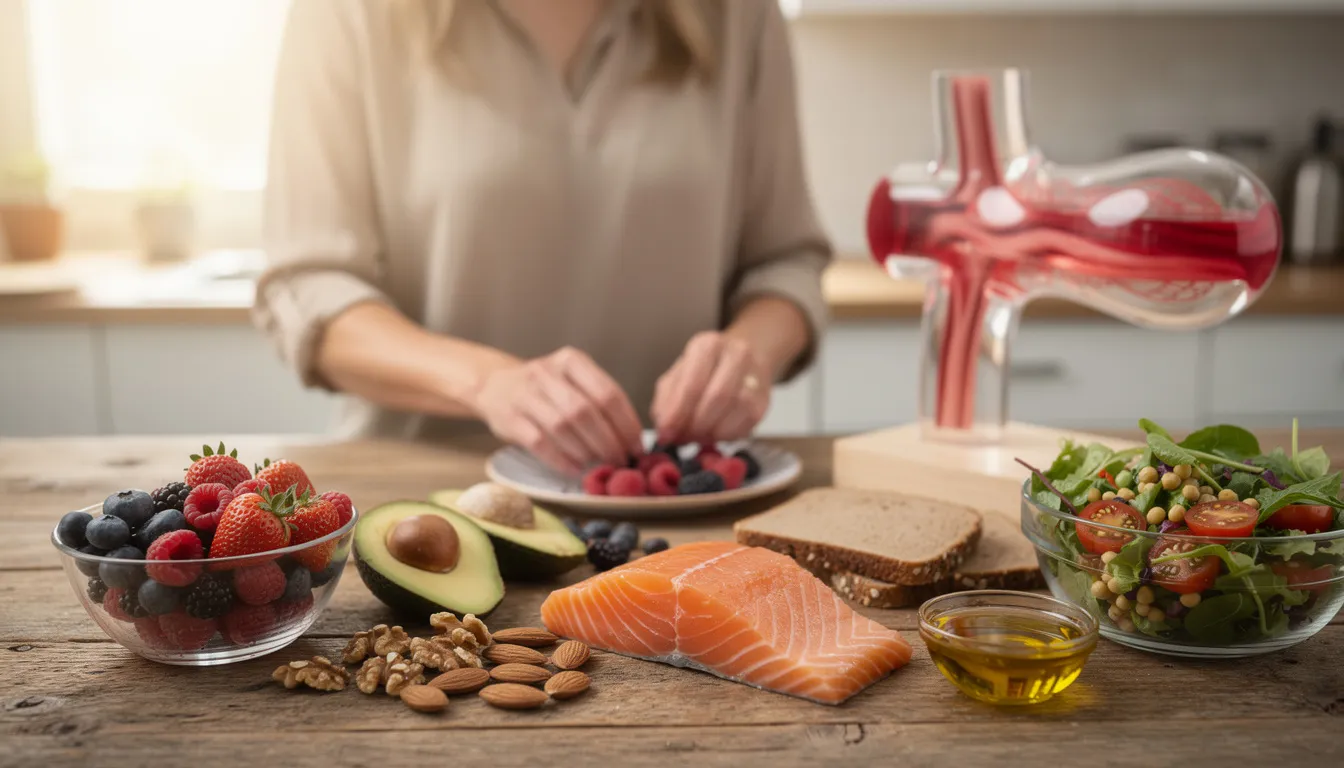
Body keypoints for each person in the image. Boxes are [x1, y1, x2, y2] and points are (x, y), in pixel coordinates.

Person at [253, 0, 832, 475]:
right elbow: (309, 287)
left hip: (677, 495)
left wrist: (749, 353)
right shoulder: (344, 15)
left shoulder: (739, 15)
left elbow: (785, 262)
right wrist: (488, 384)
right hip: (426, 490)